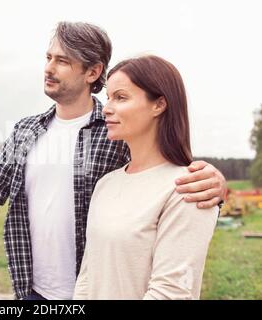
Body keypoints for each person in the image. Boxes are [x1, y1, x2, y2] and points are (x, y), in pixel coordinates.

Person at [0, 22, 226, 300]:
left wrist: (213, 181)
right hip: (33, 291)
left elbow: (160, 171)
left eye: (62, 61)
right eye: (48, 58)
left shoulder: (116, 132)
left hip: (105, 288)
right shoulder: (26, 131)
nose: (49, 68)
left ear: (93, 72)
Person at [73, 55, 218, 300]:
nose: (106, 108)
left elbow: (171, 293)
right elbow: (88, 277)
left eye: (120, 97)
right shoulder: (106, 185)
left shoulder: (188, 189)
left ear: (159, 105)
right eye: (108, 98)